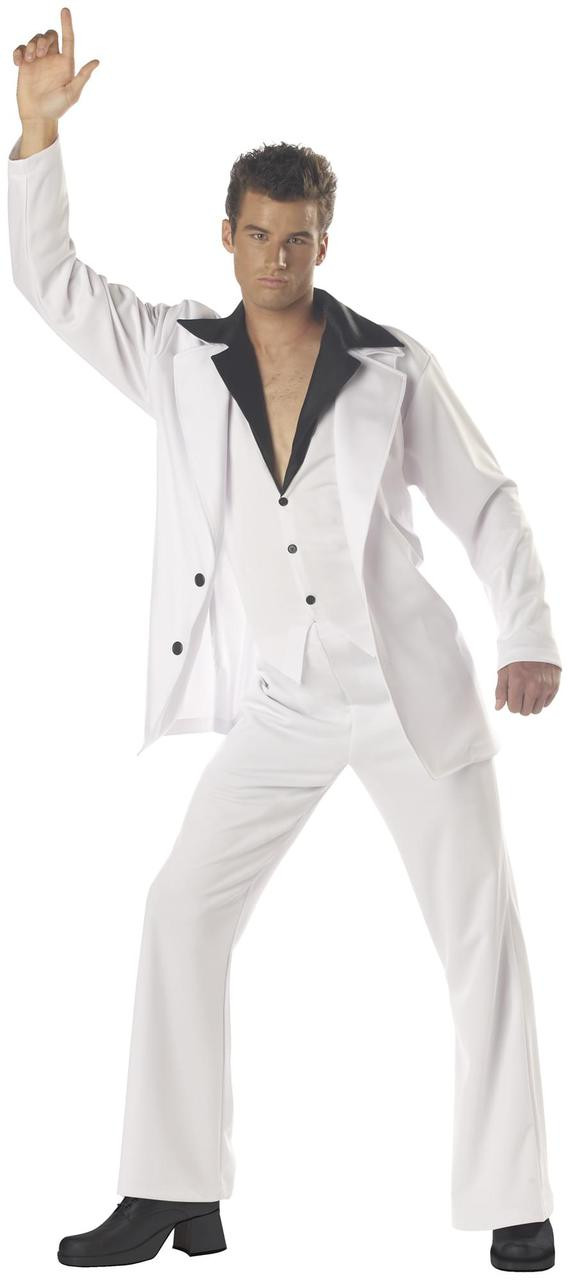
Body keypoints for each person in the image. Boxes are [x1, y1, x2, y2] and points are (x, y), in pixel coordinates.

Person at [9, 8, 561, 1272]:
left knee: (479, 932)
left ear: (325, 241)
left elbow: (486, 501)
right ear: (228, 235)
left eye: (299, 238)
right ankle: (173, 1190)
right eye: (257, 234)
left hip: (411, 697)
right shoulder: (176, 356)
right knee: (179, 909)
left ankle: (517, 1198)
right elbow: (54, 285)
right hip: (284, 703)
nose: (277, 257)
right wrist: (37, 135)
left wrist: (527, 630)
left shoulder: (391, 366)